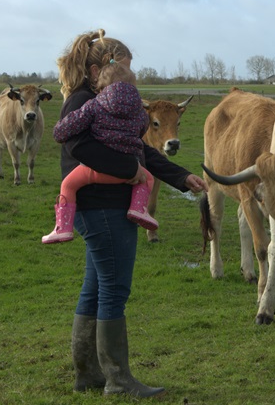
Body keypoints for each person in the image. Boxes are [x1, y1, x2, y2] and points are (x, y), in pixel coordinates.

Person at [54, 29, 207, 398]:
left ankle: (87, 373)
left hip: (103, 205)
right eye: (123, 69)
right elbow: (78, 146)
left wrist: (180, 176)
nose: (127, 80)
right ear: (97, 69)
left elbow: (138, 149)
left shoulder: (104, 99)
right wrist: (128, 172)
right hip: (103, 206)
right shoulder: (83, 101)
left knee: (95, 288)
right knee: (114, 290)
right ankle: (118, 379)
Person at [42, 60, 158, 245]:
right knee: (148, 179)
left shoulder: (94, 105)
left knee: (68, 186)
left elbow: (67, 128)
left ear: (101, 87)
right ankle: (138, 208)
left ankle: (62, 228)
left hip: (93, 171)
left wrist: (58, 130)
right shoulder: (140, 113)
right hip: (130, 173)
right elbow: (142, 131)